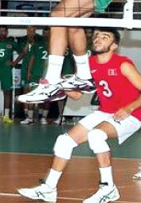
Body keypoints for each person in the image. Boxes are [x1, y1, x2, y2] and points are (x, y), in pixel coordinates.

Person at [18, 28, 141, 203]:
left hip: (132, 114)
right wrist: (58, 83)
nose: (98, 39)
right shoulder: (89, 63)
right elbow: (77, 94)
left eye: (104, 37)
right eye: (97, 36)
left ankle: (108, 188)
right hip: (105, 112)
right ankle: (48, 189)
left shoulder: (123, 64)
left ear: (114, 45)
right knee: (64, 141)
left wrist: (129, 108)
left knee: (96, 135)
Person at [18, 27, 50, 125]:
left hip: (47, 74)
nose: (46, 35)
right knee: (29, 92)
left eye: (32, 31)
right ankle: (29, 117)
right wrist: (29, 72)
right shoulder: (32, 43)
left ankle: (43, 116)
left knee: (46, 95)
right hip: (34, 73)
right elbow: (27, 55)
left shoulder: (53, 45)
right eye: (29, 31)